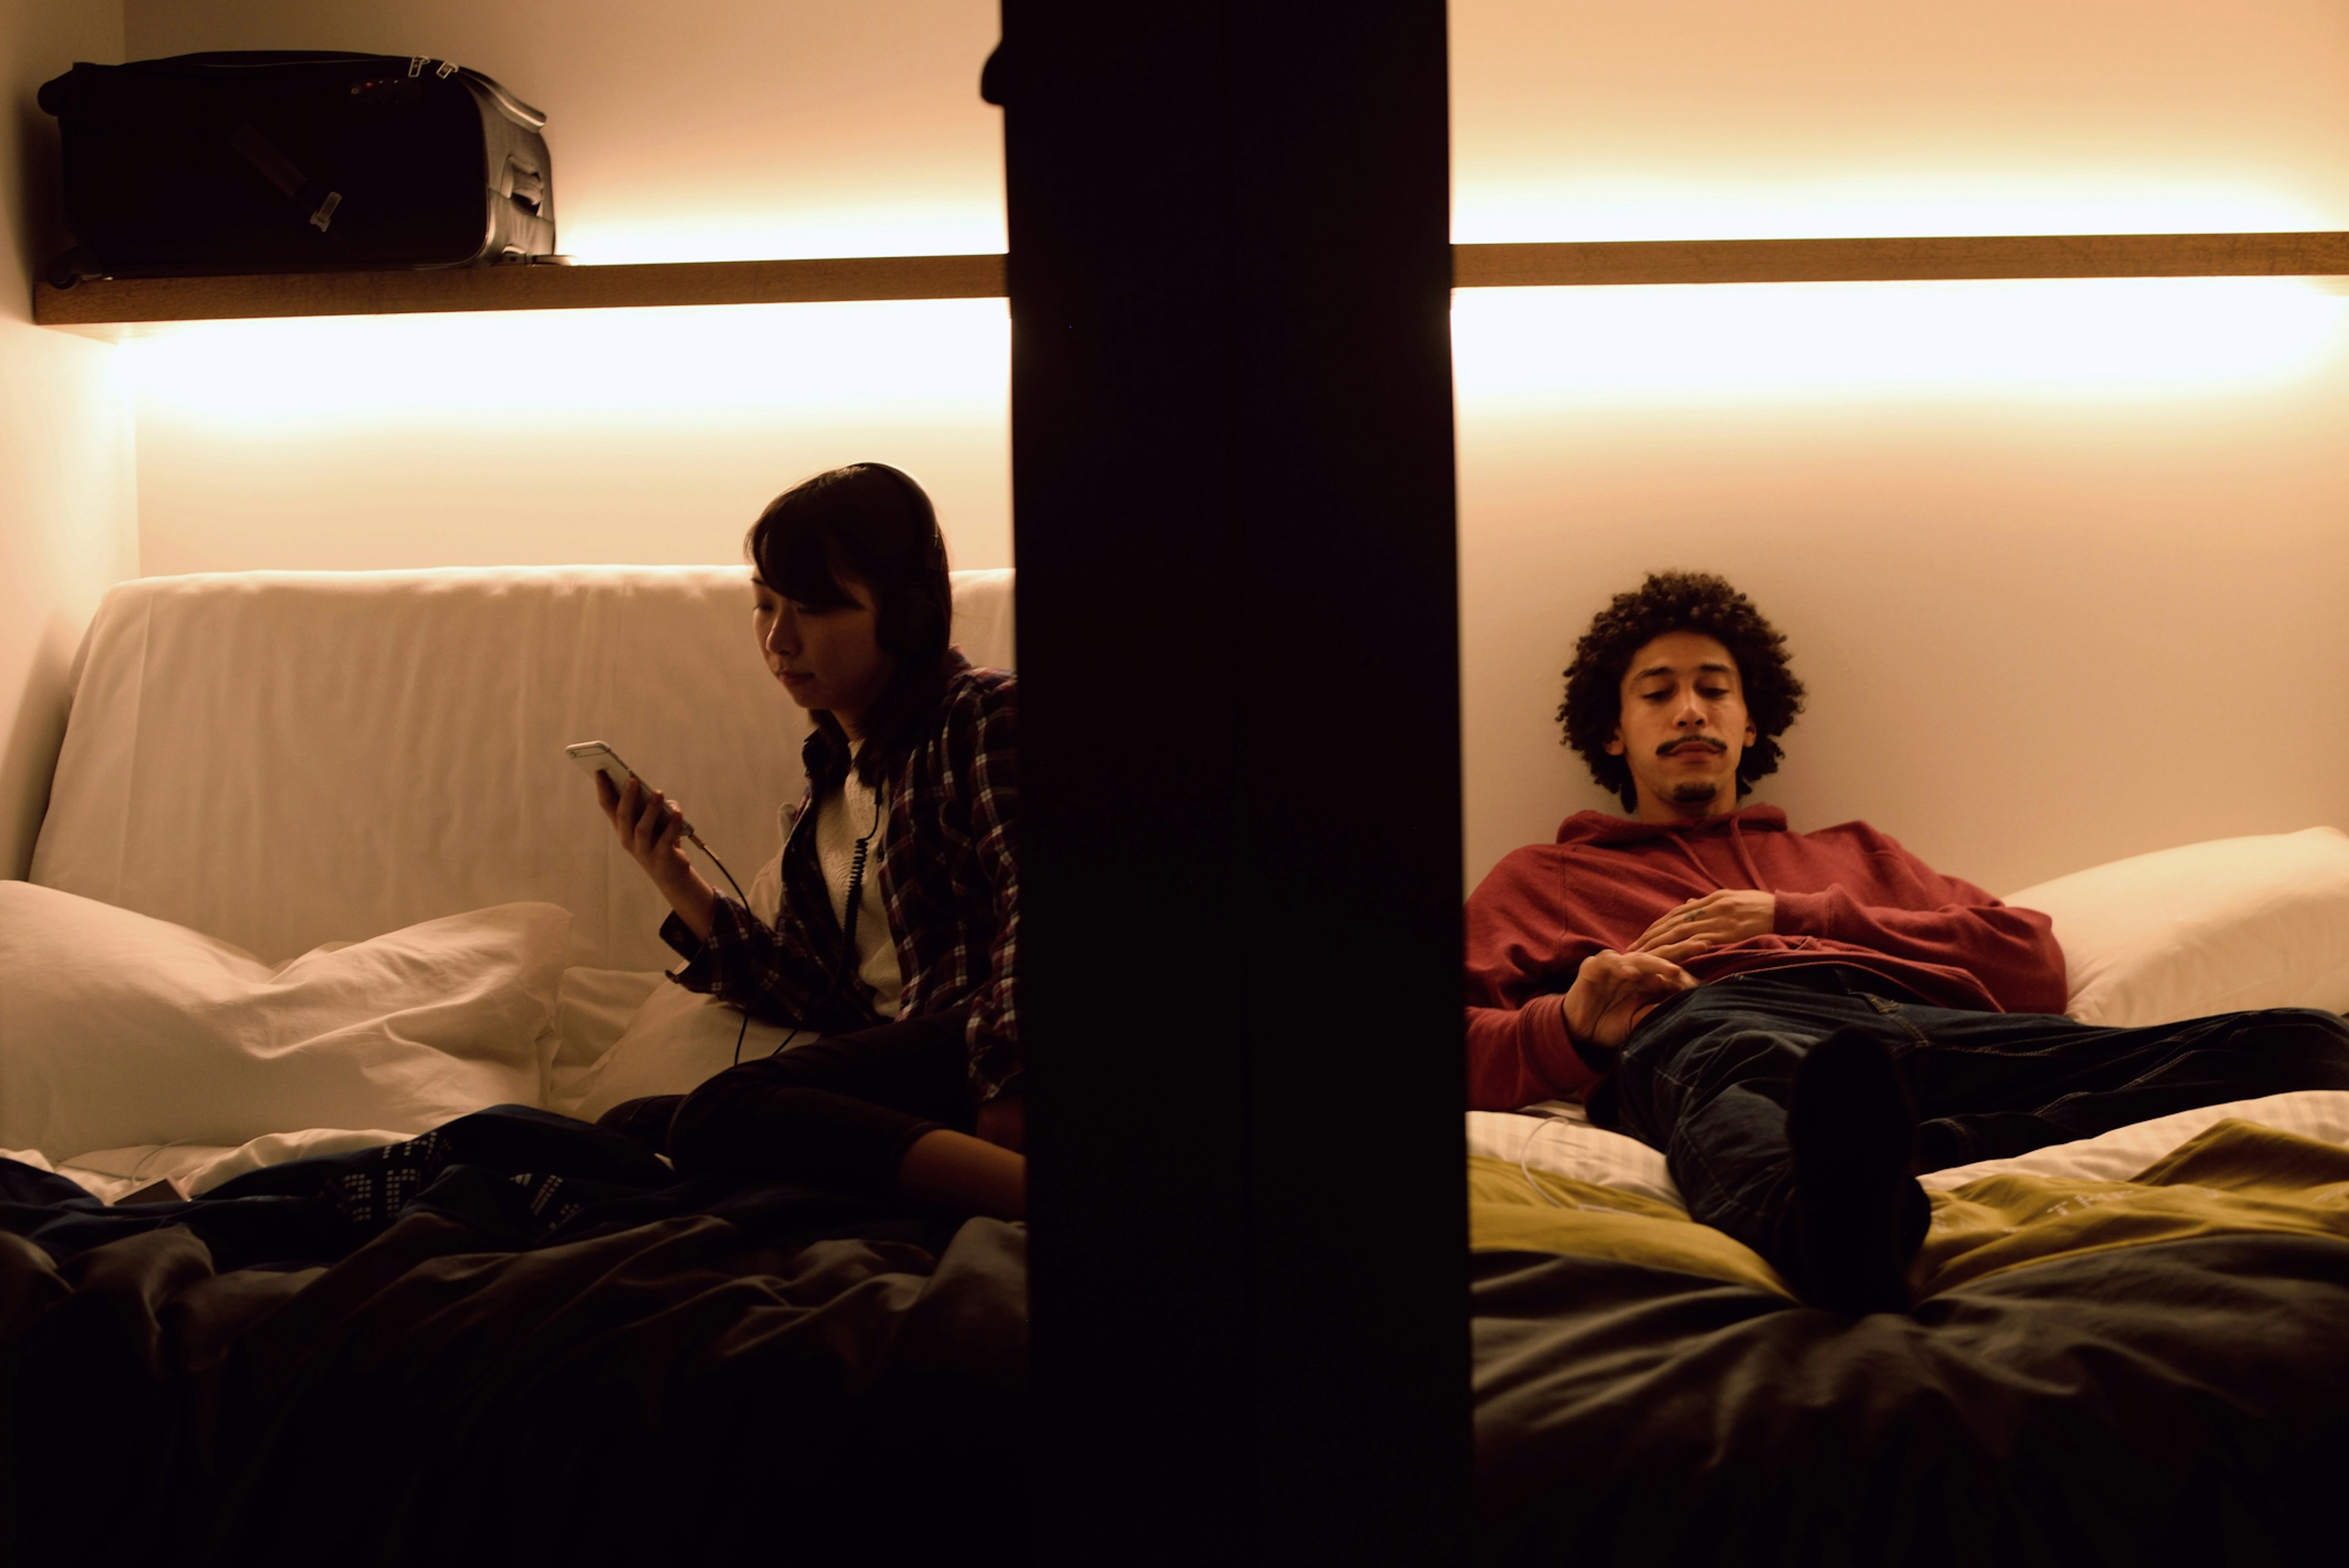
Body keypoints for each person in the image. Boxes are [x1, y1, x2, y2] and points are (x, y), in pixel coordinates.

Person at [1464, 569, 2349, 1315]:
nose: (1690, 709)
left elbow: (2031, 962)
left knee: (2302, 1040)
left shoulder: (1854, 853)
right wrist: (1570, 1029)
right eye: (1658, 692)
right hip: (1717, 1020)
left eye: (1715, 688)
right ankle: (1829, 1230)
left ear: (1751, 721)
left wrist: (1800, 915)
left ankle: (1915, 1150)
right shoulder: (1548, 875)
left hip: (1928, 1029)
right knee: (1737, 1067)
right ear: (1615, 732)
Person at [593, 463, 1024, 1219]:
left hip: (979, 1047)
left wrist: (1011, 1089)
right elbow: (812, 993)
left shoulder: (983, 718)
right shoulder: (826, 788)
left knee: (727, 1108)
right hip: (905, 1066)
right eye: (764, 605)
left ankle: (1023, 1197)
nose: (778, 638)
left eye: (814, 608)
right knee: (631, 1127)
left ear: (907, 617)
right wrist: (672, 875)